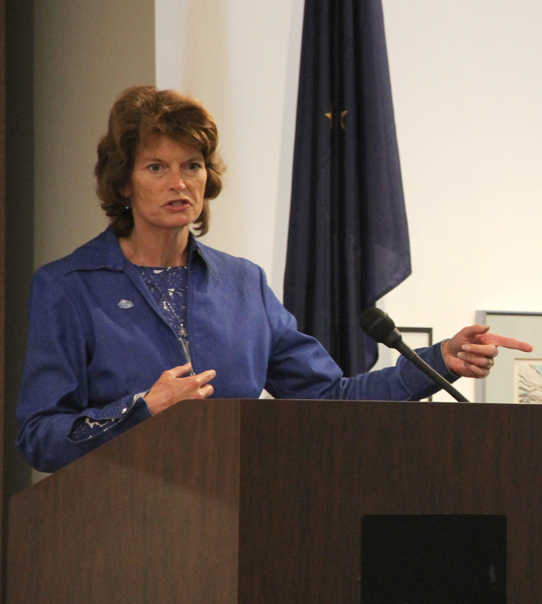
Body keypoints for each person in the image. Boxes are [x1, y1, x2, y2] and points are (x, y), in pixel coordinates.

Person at [16, 86, 532, 473]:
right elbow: (40, 435)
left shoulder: (242, 285)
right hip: (118, 533)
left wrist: (435, 362)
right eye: (156, 167)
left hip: (242, 526)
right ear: (123, 182)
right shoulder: (70, 286)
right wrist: (142, 410)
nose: (178, 183)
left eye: (192, 166)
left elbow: (330, 400)